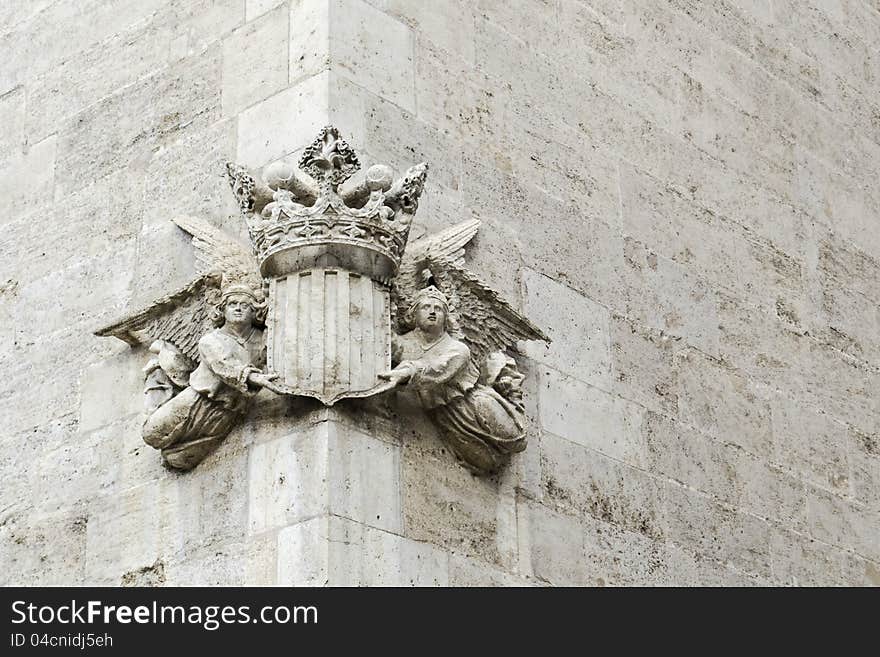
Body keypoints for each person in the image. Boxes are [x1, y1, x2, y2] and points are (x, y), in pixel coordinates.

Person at [380, 287, 527, 474]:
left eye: (438, 308)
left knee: (517, 439)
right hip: (446, 416)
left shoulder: (457, 348)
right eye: (426, 307)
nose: (432, 311)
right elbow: (389, 340)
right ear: (414, 314)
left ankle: (511, 394)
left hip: (473, 401)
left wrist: (407, 372)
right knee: (489, 463)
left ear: (446, 318)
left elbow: (438, 368)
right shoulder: (407, 343)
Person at [142, 284, 282, 469]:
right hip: (197, 399)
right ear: (222, 310)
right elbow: (224, 365)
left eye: (244, 305)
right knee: (152, 433)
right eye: (232, 304)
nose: (238, 308)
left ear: (254, 310)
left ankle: (179, 453)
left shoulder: (262, 339)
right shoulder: (210, 340)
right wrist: (257, 379)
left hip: (229, 409)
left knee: (181, 458)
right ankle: (161, 382)